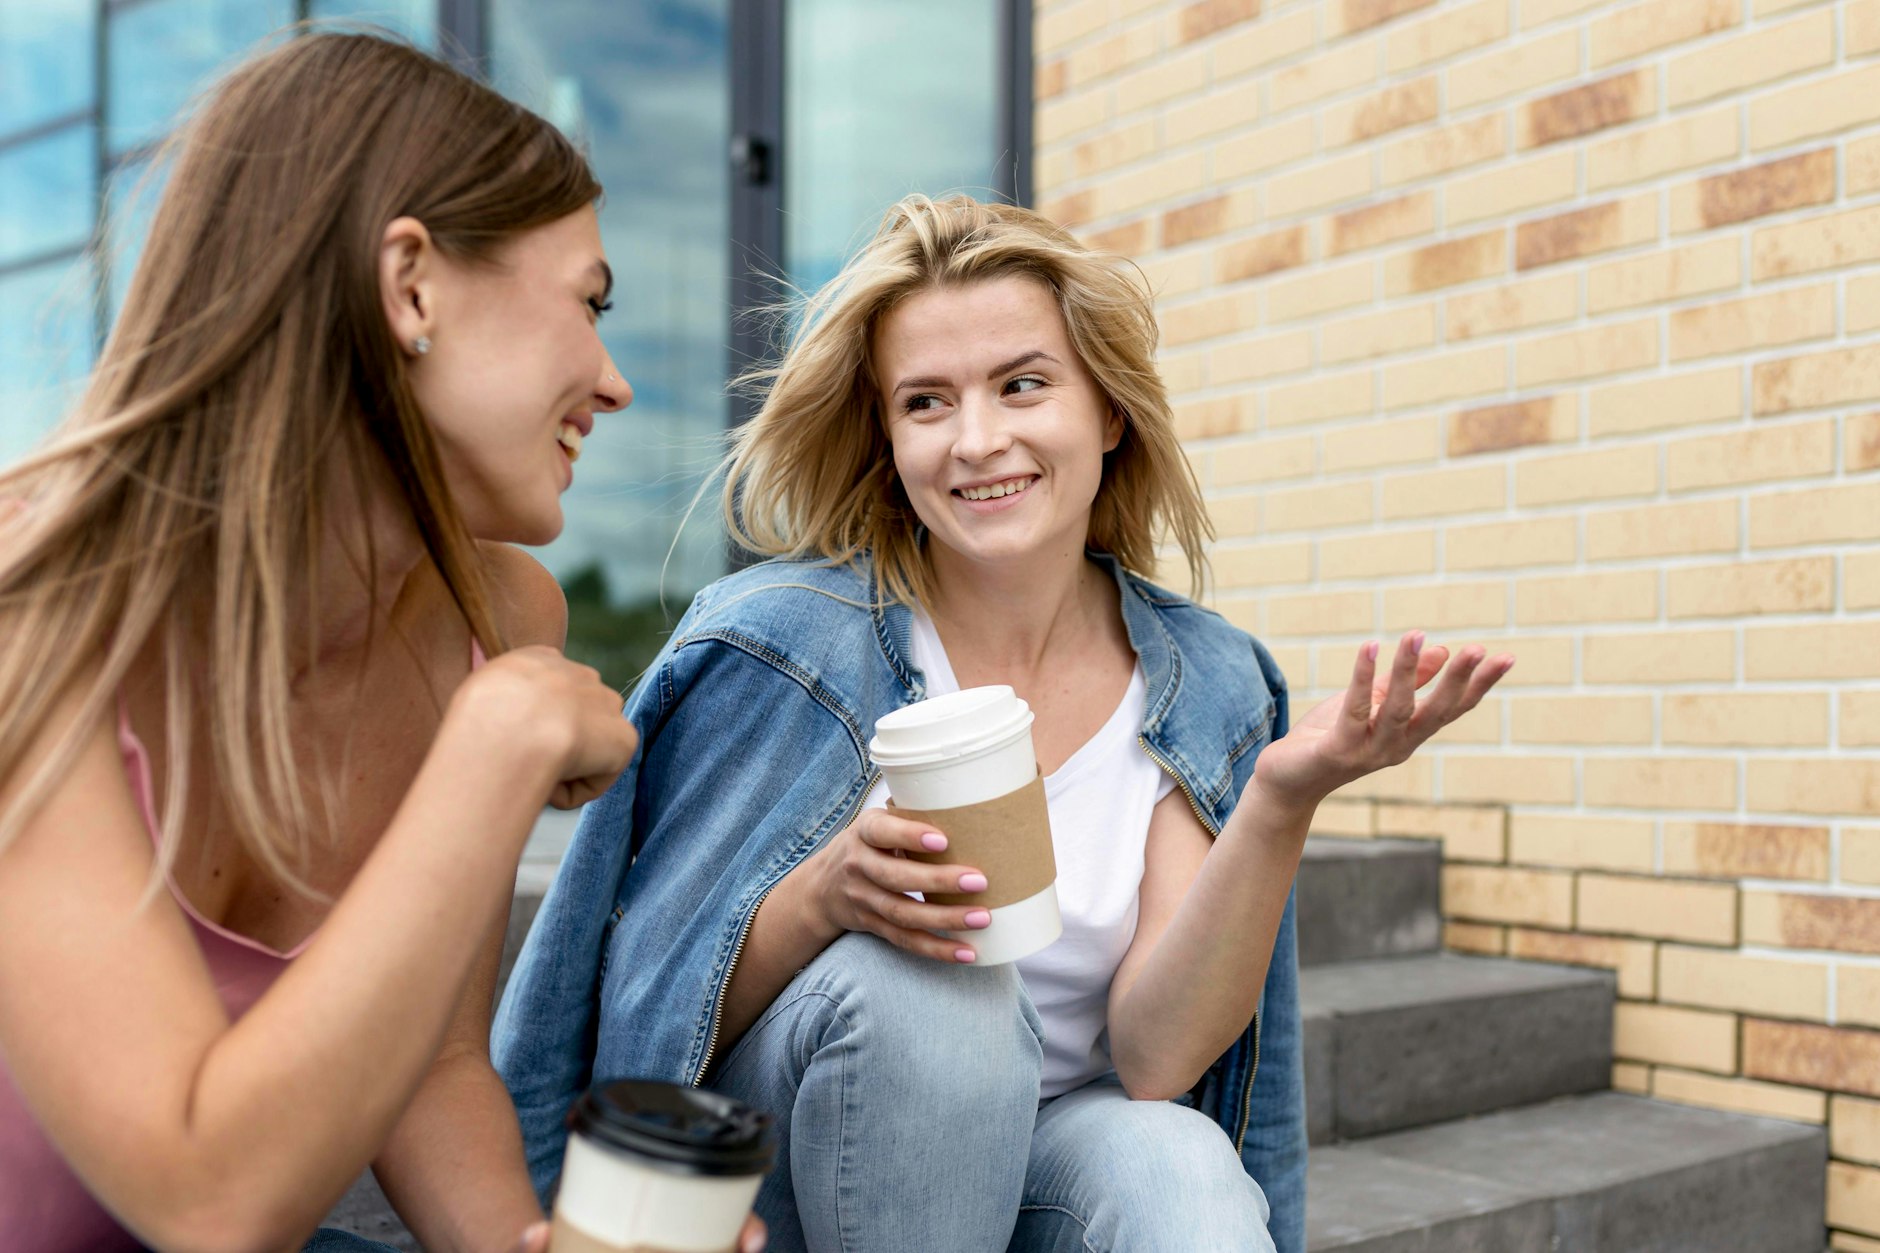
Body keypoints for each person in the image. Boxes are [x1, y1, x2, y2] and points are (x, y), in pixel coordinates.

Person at [495, 194, 1512, 1253]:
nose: (978, 441)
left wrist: (1279, 798)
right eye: (925, 402)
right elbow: (644, 1011)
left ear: (1107, 412)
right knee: (939, 991)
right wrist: (823, 894)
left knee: (1175, 1158)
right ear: (887, 438)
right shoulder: (775, 646)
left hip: (1044, 1173)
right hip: (793, 1174)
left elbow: (1155, 1060)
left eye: (1022, 384)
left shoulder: (1210, 680)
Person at [0, 32, 764, 1253]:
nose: (614, 381)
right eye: (588, 300)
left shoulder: (498, 620)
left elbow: (429, 1062)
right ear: (409, 285)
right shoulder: (29, 605)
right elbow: (208, 1198)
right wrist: (496, 744)